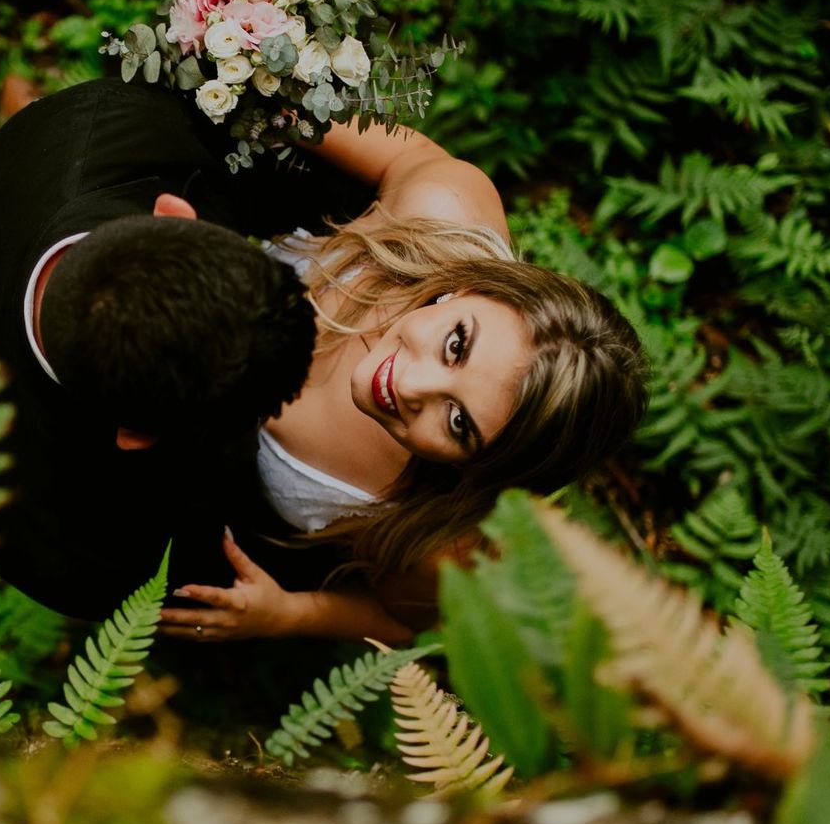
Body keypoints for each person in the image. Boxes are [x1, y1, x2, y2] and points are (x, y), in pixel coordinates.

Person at [154, 118, 650, 646]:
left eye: (459, 423)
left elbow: (402, 621)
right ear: (470, 289)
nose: (411, 386)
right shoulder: (442, 208)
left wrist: (288, 615)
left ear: (475, 467)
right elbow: (306, 112)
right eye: (457, 344)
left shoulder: (435, 529)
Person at [0, 78, 372, 619]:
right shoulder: (43, 529)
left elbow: (328, 181)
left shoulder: (121, 122)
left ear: (174, 214)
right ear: (137, 437)